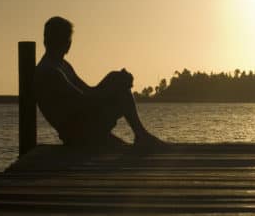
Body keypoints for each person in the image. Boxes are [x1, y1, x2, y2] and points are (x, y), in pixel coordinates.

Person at [35, 16, 165, 147]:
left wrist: (114, 79)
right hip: (78, 133)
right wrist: (114, 88)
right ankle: (141, 135)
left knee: (117, 80)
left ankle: (140, 135)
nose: (68, 43)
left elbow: (88, 91)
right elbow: (84, 101)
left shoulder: (62, 65)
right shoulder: (50, 72)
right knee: (122, 93)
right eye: (66, 39)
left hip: (83, 123)